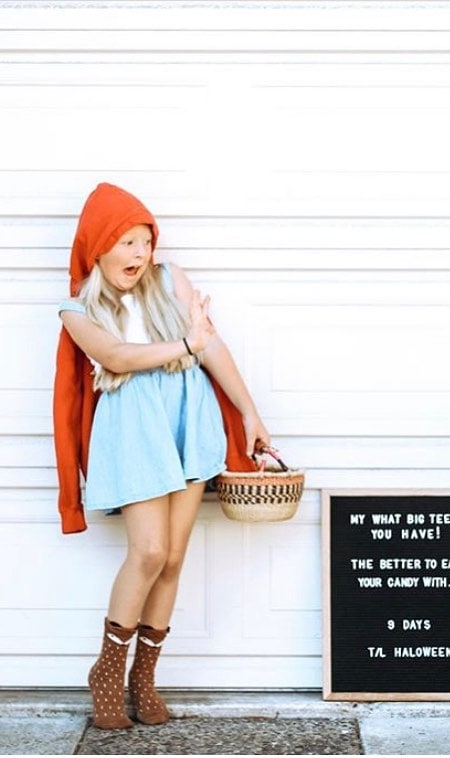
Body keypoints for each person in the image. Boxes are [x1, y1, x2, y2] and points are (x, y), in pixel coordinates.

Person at [53, 183, 270, 729]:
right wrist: (188, 346)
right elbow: (118, 357)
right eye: (125, 242)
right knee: (147, 553)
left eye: (144, 241)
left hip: (186, 419)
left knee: (173, 558)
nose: (137, 253)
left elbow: (211, 345)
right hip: (134, 430)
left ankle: (143, 679)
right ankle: (106, 672)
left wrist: (249, 413)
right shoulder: (77, 308)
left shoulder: (171, 280)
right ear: (98, 246)